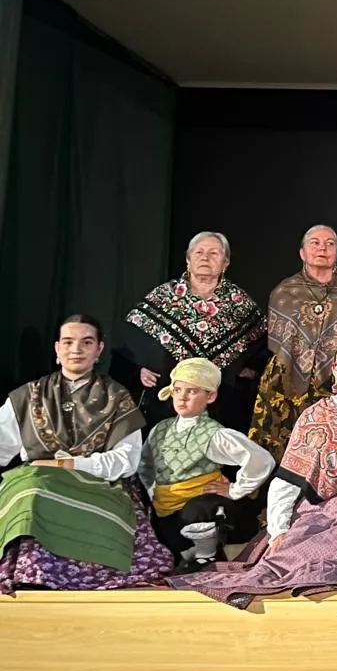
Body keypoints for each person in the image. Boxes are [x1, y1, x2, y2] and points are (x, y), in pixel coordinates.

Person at [170, 342, 337, 607]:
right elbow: (287, 479)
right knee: (293, 561)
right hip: (320, 511)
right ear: (333, 370)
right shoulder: (313, 416)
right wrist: (278, 530)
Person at [0, 315, 173, 593]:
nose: (76, 350)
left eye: (86, 342)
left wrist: (66, 464)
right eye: (68, 342)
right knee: (31, 492)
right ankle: (30, 573)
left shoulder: (118, 397)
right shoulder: (26, 396)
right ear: (57, 348)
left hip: (99, 485)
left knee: (36, 490)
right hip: (35, 481)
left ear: (99, 350)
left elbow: (126, 462)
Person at [247, 224, 337, 463]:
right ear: (302, 252)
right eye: (315, 243)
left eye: (330, 243)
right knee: (281, 450)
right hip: (285, 382)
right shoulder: (284, 291)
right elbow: (278, 338)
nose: (322, 248)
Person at [123, 230, 267, 432]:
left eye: (214, 253)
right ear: (188, 260)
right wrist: (139, 369)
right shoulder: (164, 295)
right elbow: (131, 340)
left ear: (225, 263)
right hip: (167, 400)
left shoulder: (240, 303)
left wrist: (248, 370)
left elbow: (262, 345)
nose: (205, 258)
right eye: (199, 252)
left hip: (220, 404)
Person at [139, 358, 273, 571]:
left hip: (200, 504)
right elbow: (145, 465)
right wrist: (153, 490)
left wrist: (235, 490)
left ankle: (207, 555)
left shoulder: (214, 433)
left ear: (210, 396)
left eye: (192, 391)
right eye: (178, 390)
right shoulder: (160, 429)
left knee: (197, 513)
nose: (182, 398)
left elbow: (261, 459)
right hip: (165, 506)